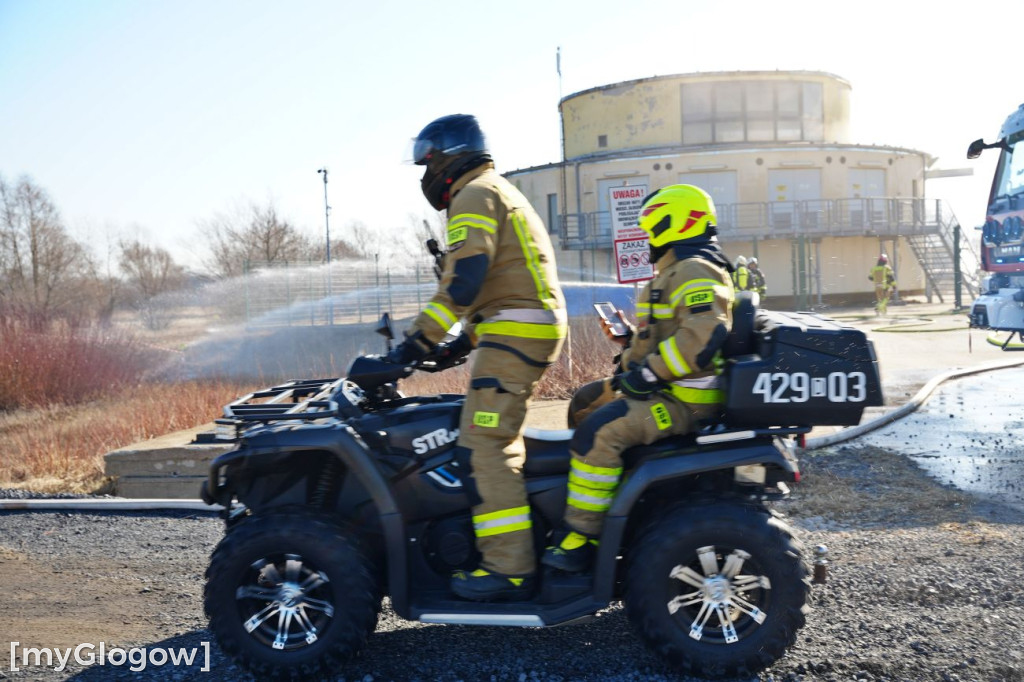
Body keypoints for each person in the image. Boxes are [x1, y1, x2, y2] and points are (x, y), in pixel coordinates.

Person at [386, 113, 567, 601]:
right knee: (485, 435)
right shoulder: (491, 189)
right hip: (514, 327)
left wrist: (415, 342)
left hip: (517, 331)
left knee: (485, 444)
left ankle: (509, 569)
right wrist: (459, 346)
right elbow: (499, 282)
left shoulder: (473, 196)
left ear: (448, 157)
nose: (425, 173)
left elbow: (463, 281)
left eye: (427, 161)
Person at [541, 184, 735, 573]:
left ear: (675, 223)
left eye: (652, 228)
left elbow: (704, 336)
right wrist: (629, 342)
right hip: (667, 388)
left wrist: (648, 373)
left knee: (600, 432)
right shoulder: (678, 270)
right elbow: (671, 334)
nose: (647, 237)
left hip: (685, 401)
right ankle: (607, 494)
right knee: (584, 403)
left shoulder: (695, 269)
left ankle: (582, 536)